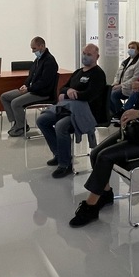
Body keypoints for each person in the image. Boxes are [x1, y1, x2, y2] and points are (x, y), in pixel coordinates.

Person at [69, 43, 139, 228]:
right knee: (96, 153)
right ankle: (105, 193)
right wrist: (129, 114)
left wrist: (138, 114)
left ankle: (91, 205)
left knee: (105, 157)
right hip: (137, 132)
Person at [37, 44, 108, 177]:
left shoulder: (98, 74)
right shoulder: (78, 72)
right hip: (69, 109)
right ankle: (59, 154)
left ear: (97, 57)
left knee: (60, 126)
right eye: (84, 53)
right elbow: (63, 88)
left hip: (86, 112)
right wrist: (69, 90)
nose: (85, 56)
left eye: (89, 54)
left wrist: (68, 95)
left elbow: (89, 95)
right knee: (42, 120)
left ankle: (65, 164)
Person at [0, 37, 58, 137]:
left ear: (42, 46)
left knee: (15, 103)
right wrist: (26, 85)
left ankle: (21, 127)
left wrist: (29, 89)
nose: (33, 51)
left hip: (42, 93)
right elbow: (31, 75)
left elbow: (43, 83)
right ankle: (17, 122)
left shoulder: (49, 61)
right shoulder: (38, 60)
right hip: (32, 89)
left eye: (34, 48)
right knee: (4, 97)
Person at [109, 41, 139, 119]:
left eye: (133, 48)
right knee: (108, 93)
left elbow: (135, 78)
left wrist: (121, 85)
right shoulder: (126, 61)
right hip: (122, 86)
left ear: (138, 50)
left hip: (131, 87)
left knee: (113, 94)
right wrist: (116, 83)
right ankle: (115, 113)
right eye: (129, 47)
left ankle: (121, 113)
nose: (130, 49)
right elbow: (118, 74)